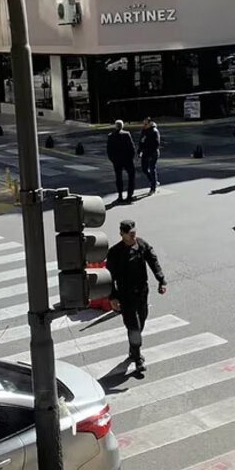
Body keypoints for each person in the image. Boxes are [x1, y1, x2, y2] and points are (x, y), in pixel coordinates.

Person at [106, 220, 167, 374]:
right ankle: (137, 358)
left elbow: (153, 261)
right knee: (133, 327)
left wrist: (161, 280)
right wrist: (112, 297)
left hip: (142, 292)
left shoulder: (141, 245)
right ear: (122, 234)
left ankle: (133, 348)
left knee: (142, 321)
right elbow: (109, 277)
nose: (133, 235)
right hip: (126, 296)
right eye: (129, 233)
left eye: (134, 232)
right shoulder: (115, 252)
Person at [106, 120, 137, 203]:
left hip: (117, 160)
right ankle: (129, 195)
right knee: (131, 176)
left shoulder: (111, 136)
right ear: (122, 126)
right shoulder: (126, 134)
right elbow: (132, 147)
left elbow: (109, 150)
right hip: (127, 159)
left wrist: (113, 159)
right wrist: (131, 157)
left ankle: (120, 195)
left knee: (118, 178)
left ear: (115, 126)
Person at [138, 117, 161, 196]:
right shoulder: (144, 131)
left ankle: (153, 188)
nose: (144, 125)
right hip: (145, 152)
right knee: (144, 169)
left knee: (152, 169)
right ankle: (153, 182)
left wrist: (150, 152)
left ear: (150, 123)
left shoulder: (154, 131)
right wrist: (139, 151)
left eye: (146, 124)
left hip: (153, 153)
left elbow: (157, 144)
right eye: (143, 123)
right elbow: (141, 141)